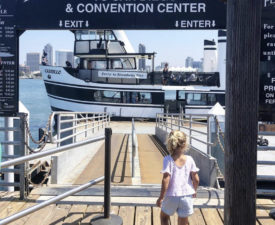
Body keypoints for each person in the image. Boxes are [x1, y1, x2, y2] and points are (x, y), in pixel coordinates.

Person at [156, 130, 199, 225]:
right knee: (183, 221)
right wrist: (194, 190)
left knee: (164, 217)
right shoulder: (190, 160)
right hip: (186, 196)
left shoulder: (168, 159)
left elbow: (166, 180)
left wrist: (161, 197)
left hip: (171, 196)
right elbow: (196, 179)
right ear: (185, 144)